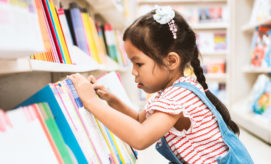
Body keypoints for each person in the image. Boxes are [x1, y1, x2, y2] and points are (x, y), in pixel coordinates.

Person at [68, 5, 253, 164]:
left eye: (138, 63)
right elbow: (141, 120)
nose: (133, 71)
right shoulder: (178, 89)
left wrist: (92, 103)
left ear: (171, 61)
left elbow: (140, 138)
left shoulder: (177, 97)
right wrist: (111, 99)